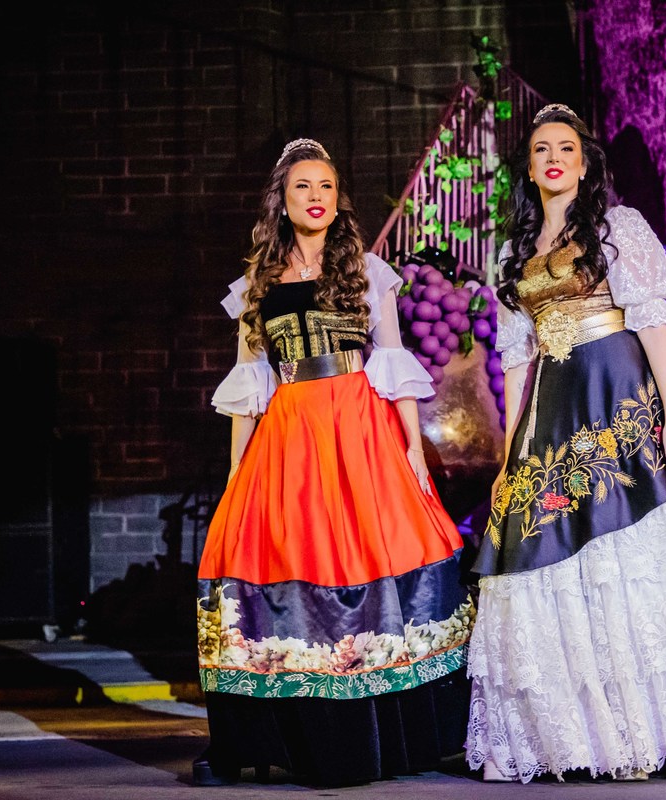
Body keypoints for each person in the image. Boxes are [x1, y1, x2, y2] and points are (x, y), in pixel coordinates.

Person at [464, 104, 666, 783]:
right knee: (552, 558)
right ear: (529, 167)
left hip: (618, 392)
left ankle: (649, 729)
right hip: (552, 411)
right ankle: (580, 737)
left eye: (566, 147)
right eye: (542, 149)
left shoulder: (617, 228)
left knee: (634, 555)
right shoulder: (513, 252)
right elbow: (515, 360)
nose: (554, 158)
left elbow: (651, 322)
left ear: (584, 163)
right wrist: (509, 455)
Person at [194, 138, 474, 788]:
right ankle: (270, 735)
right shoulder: (258, 282)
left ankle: (405, 732)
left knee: (374, 554)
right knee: (280, 557)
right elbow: (249, 381)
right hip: (291, 431)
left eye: (325, 185)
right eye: (302, 186)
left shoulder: (366, 270)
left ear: (337, 198)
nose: (315, 196)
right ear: (282, 201)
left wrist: (411, 448)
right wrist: (236, 472)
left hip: (358, 427)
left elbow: (393, 364)